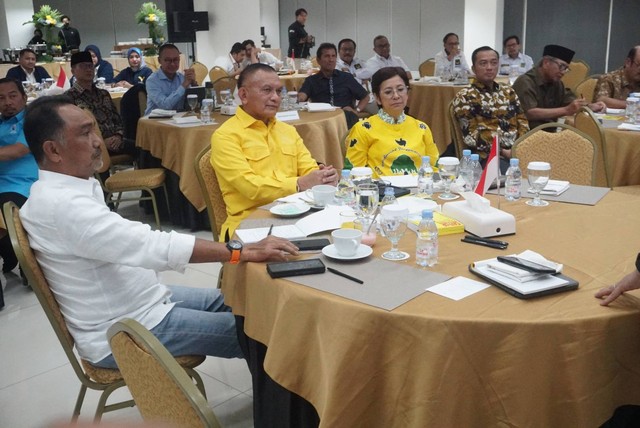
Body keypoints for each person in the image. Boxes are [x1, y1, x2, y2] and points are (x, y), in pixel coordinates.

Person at [19, 95, 298, 367]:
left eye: (95, 130)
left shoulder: (61, 190)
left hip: (144, 298)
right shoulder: (61, 206)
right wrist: (240, 252)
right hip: (125, 328)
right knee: (261, 334)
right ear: (53, 150)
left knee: (244, 300)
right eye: (84, 134)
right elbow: (150, 245)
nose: (97, 142)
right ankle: (284, 412)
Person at [210, 64, 338, 240]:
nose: (275, 98)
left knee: (343, 235)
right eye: (267, 90)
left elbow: (308, 169)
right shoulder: (226, 136)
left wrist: (322, 178)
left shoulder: (287, 131)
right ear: (244, 95)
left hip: (297, 214)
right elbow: (250, 187)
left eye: (279, 91)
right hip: (249, 222)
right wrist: (299, 184)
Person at [345, 67, 439, 178]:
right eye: (388, 92)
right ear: (377, 98)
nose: (396, 96)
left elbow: (435, 168)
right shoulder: (363, 129)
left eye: (400, 89)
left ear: (407, 93)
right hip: (381, 193)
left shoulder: (422, 128)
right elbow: (353, 174)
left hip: (420, 191)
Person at [452, 46, 529, 173]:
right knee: (516, 177)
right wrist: (504, 152)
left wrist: (519, 149)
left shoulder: (508, 91)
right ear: (473, 69)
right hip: (486, 156)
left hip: (516, 151)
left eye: (494, 63)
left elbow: (523, 122)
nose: (489, 67)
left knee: (543, 170)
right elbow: (471, 136)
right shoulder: (465, 96)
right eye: (483, 63)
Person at [0, 78, 39, 307]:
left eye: (12, 96)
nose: (7, 102)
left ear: (23, 98)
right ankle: (10, 253)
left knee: (7, 207)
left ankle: (28, 265)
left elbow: (18, 150)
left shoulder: (31, 121)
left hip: (23, 184)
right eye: (1, 98)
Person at [513, 44, 606, 129]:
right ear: (546, 63)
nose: (563, 72)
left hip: (549, 133)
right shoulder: (525, 82)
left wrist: (589, 106)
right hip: (526, 135)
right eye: (561, 66)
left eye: (566, 69)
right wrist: (566, 110)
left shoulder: (556, 83)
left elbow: (569, 100)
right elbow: (529, 113)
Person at [66, 52, 126, 155]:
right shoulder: (69, 98)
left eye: (90, 66)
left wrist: (118, 136)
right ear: (73, 71)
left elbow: (118, 120)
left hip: (115, 141)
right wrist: (100, 142)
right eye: (83, 66)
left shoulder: (104, 94)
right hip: (89, 147)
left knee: (145, 149)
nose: (88, 69)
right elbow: (74, 131)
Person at [298, 43, 369, 128]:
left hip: (345, 118)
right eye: (327, 56)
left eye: (333, 56)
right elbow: (302, 96)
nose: (331, 59)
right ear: (318, 60)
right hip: (321, 119)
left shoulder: (346, 77)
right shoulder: (312, 80)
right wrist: (298, 97)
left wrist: (356, 110)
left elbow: (365, 97)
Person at [145, 44, 197, 115]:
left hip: (178, 120)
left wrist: (194, 83)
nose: (172, 64)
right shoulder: (152, 81)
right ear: (159, 60)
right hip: (155, 121)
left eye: (175, 60)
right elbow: (165, 106)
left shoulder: (182, 78)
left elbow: (193, 105)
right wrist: (184, 85)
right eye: (168, 60)